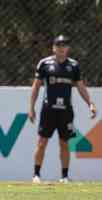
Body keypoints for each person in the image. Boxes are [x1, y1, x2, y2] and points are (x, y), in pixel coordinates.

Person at [29, 35, 97, 183]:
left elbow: (80, 86)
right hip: (48, 110)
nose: (61, 48)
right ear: (53, 47)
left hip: (66, 111)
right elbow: (36, 86)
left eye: (64, 45)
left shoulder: (73, 65)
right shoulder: (44, 64)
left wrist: (90, 103)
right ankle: (36, 175)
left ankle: (64, 177)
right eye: (58, 45)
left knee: (65, 143)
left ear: (68, 48)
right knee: (42, 142)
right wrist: (31, 108)